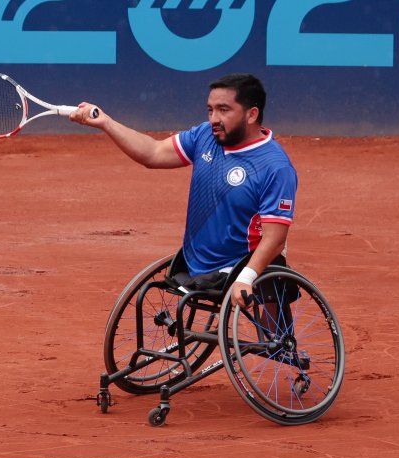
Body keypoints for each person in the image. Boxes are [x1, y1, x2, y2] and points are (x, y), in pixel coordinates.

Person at [70, 73, 297, 307]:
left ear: (251, 114)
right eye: (210, 110)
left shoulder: (275, 167)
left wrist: (247, 277)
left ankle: (282, 343)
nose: (214, 119)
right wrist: (106, 122)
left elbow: (275, 238)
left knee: (273, 297)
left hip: (238, 267)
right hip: (194, 265)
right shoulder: (204, 136)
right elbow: (153, 153)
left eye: (224, 110)